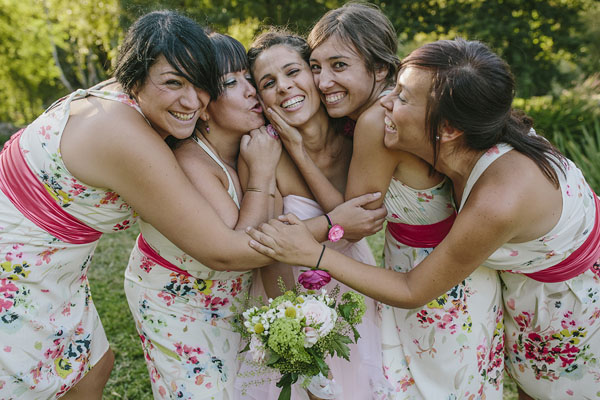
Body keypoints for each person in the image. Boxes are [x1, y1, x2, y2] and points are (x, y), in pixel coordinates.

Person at [0, 10, 383, 399]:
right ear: (134, 79)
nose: (191, 100)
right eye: (172, 83)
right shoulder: (125, 134)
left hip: (61, 267)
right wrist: (331, 222)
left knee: (93, 370)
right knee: (40, 384)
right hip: (17, 265)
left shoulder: (147, 113)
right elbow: (225, 250)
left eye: (199, 84)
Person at [246, 38, 600, 400]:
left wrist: (314, 254)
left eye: (400, 98)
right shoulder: (471, 134)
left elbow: (412, 290)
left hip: (570, 305)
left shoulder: (499, 199)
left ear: (447, 129)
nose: (384, 101)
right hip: (519, 291)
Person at [307, 4, 504, 398]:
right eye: (315, 66)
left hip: (431, 275)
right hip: (458, 269)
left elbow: (356, 220)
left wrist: (297, 149)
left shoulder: (377, 121)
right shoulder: (409, 105)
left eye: (339, 65)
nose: (323, 80)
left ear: (381, 70)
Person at [123, 32, 282, 399]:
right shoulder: (191, 160)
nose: (251, 90)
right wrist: (261, 176)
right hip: (176, 301)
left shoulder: (247, 147)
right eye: (231, 83)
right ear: (204, 105)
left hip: (226, 299)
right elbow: (240, 251)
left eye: (249, 78)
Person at [235, 30, 388, 400]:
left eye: (293, 72)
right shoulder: (263, 151)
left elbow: (361, 225)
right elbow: (269, 254)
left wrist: (300, 149)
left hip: (354, 284)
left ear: (316, 76)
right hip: (293, 296)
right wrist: (296, 340)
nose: (284, 87)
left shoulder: (358, 138)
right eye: (269, 82)